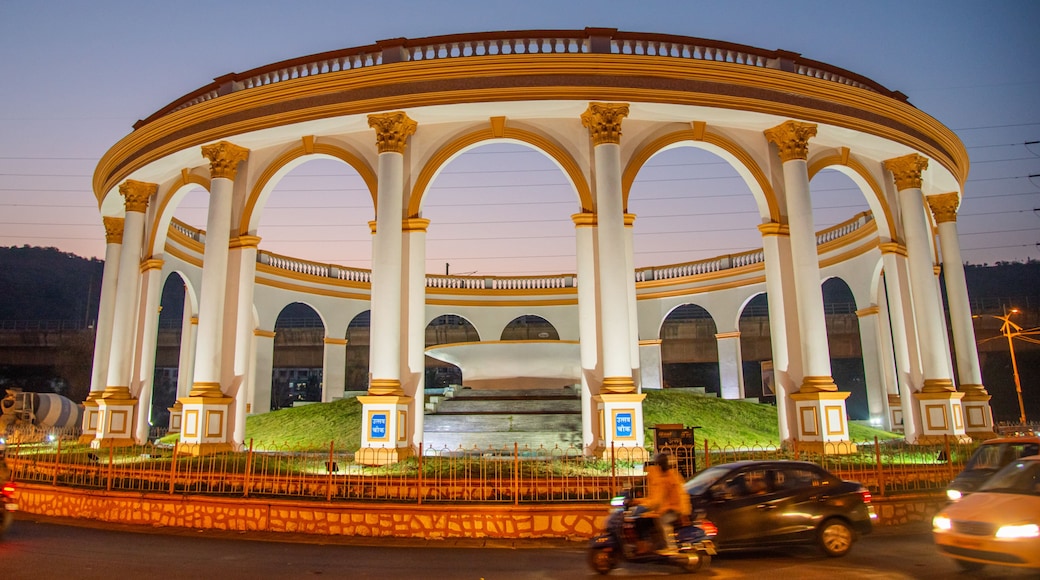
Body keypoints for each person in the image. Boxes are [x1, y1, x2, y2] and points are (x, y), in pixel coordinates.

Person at [639, 452, 692, 554]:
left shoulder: (670, 477)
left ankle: (670, 546)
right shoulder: (666, 476)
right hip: (670, 508)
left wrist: (684, 512)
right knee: (651, 519)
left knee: (662, 520)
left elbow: (677, 495)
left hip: (676, 509)